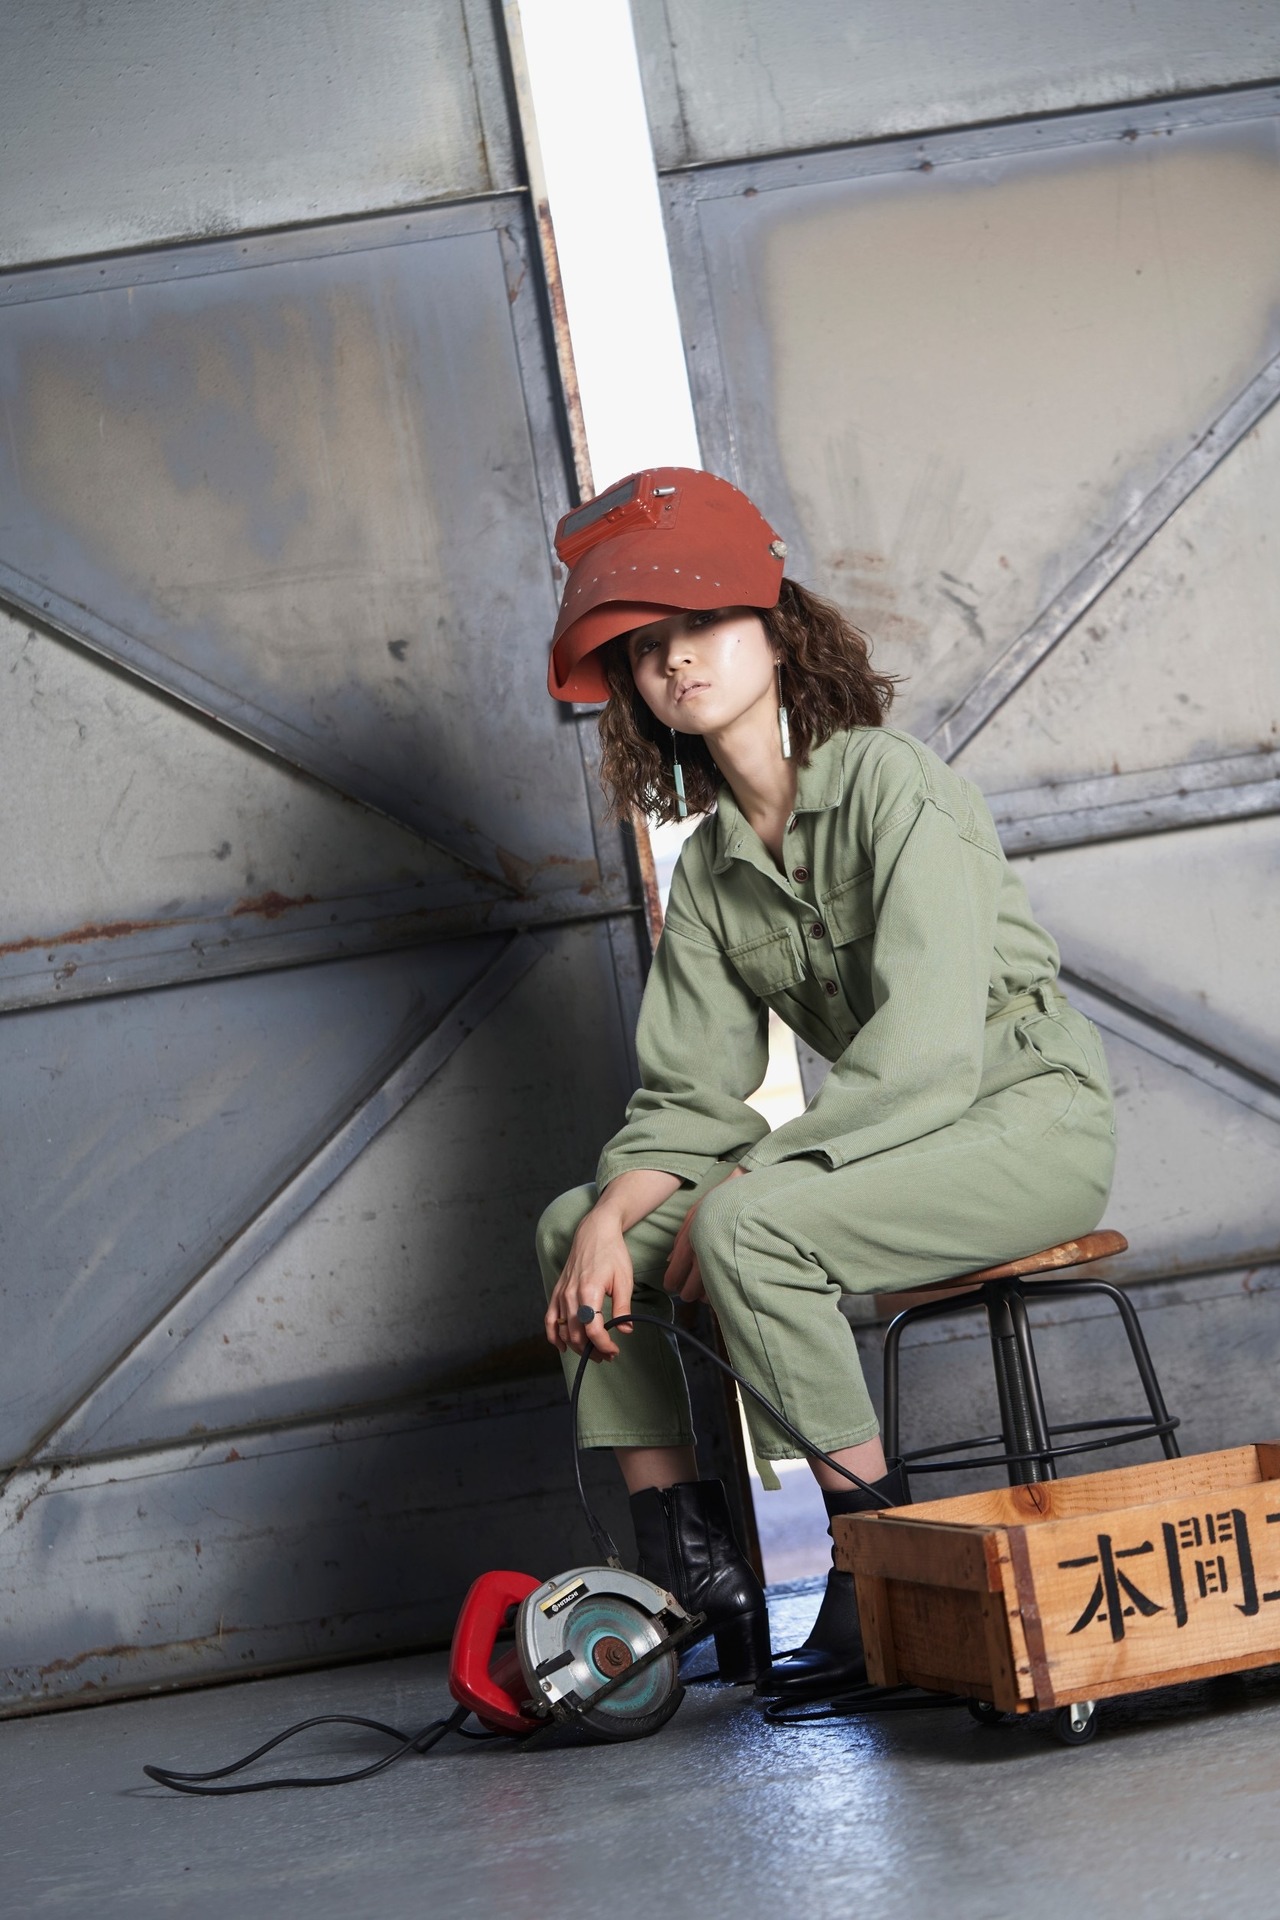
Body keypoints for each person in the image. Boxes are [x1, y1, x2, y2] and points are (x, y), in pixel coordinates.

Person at [536, 468, 1115, 1700]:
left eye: (700, 623)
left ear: (775, 630)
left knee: (747, 1223)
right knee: (580, 1229)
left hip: (1023, 1119)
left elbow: (926, 1053)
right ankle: (692, 1578)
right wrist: (605, 1215)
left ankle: (877, 1567)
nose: (673, 660)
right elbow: (690, 1094)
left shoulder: (890, 785)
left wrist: (747, 1180)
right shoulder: (710, 871)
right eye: (643, 647)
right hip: (889, 1142)